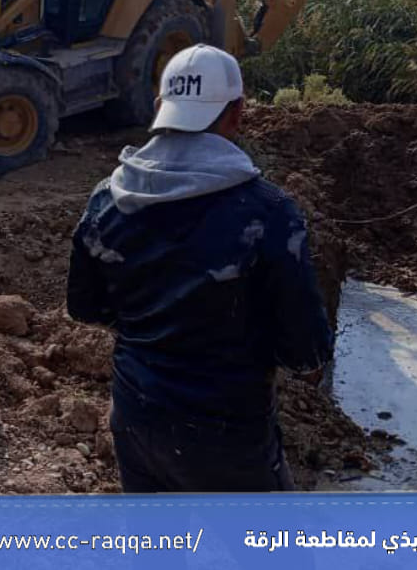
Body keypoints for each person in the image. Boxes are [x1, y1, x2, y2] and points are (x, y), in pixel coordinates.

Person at [66, 44, 333, 492]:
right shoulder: (269, 214)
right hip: (229, 439)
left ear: (160, 107)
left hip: (135, 420)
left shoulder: (105, 201)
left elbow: (85, 308)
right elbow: (306, 354)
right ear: (237, 113)